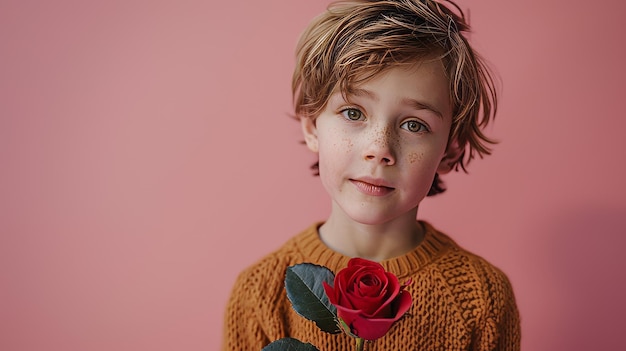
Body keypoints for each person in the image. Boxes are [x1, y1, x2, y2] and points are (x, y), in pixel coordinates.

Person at [221, 0, 521, 350]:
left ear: (450, 150)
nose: (379, 148)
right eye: (352, 112)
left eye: (414, 125)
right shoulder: (260, 292)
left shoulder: (482, 298)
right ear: (311, 126)